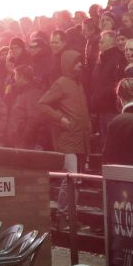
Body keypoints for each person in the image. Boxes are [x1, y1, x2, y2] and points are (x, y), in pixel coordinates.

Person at [39, 49, 92, 179]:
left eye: (80, 62)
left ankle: (70, 200)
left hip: (80, 139)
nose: (80, 64)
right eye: (76, 62)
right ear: (68, 64)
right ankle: (67, 200)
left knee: (75, 179)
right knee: (72, 179)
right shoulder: (61, 83)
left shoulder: (78, 83)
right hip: (68, 139)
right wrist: (61, 118)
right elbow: (42, 104)